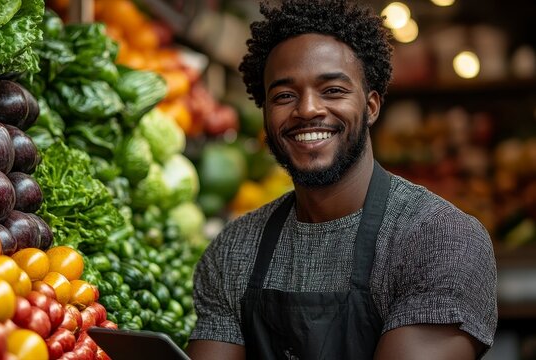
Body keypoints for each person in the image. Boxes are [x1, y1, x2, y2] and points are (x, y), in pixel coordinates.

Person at [186, 0, 498, 359]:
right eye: (285, 95)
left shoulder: (437, 238)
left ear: (371, 106)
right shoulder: (233, 251)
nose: (307, 109)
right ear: (266, 114)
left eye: (332, 90)